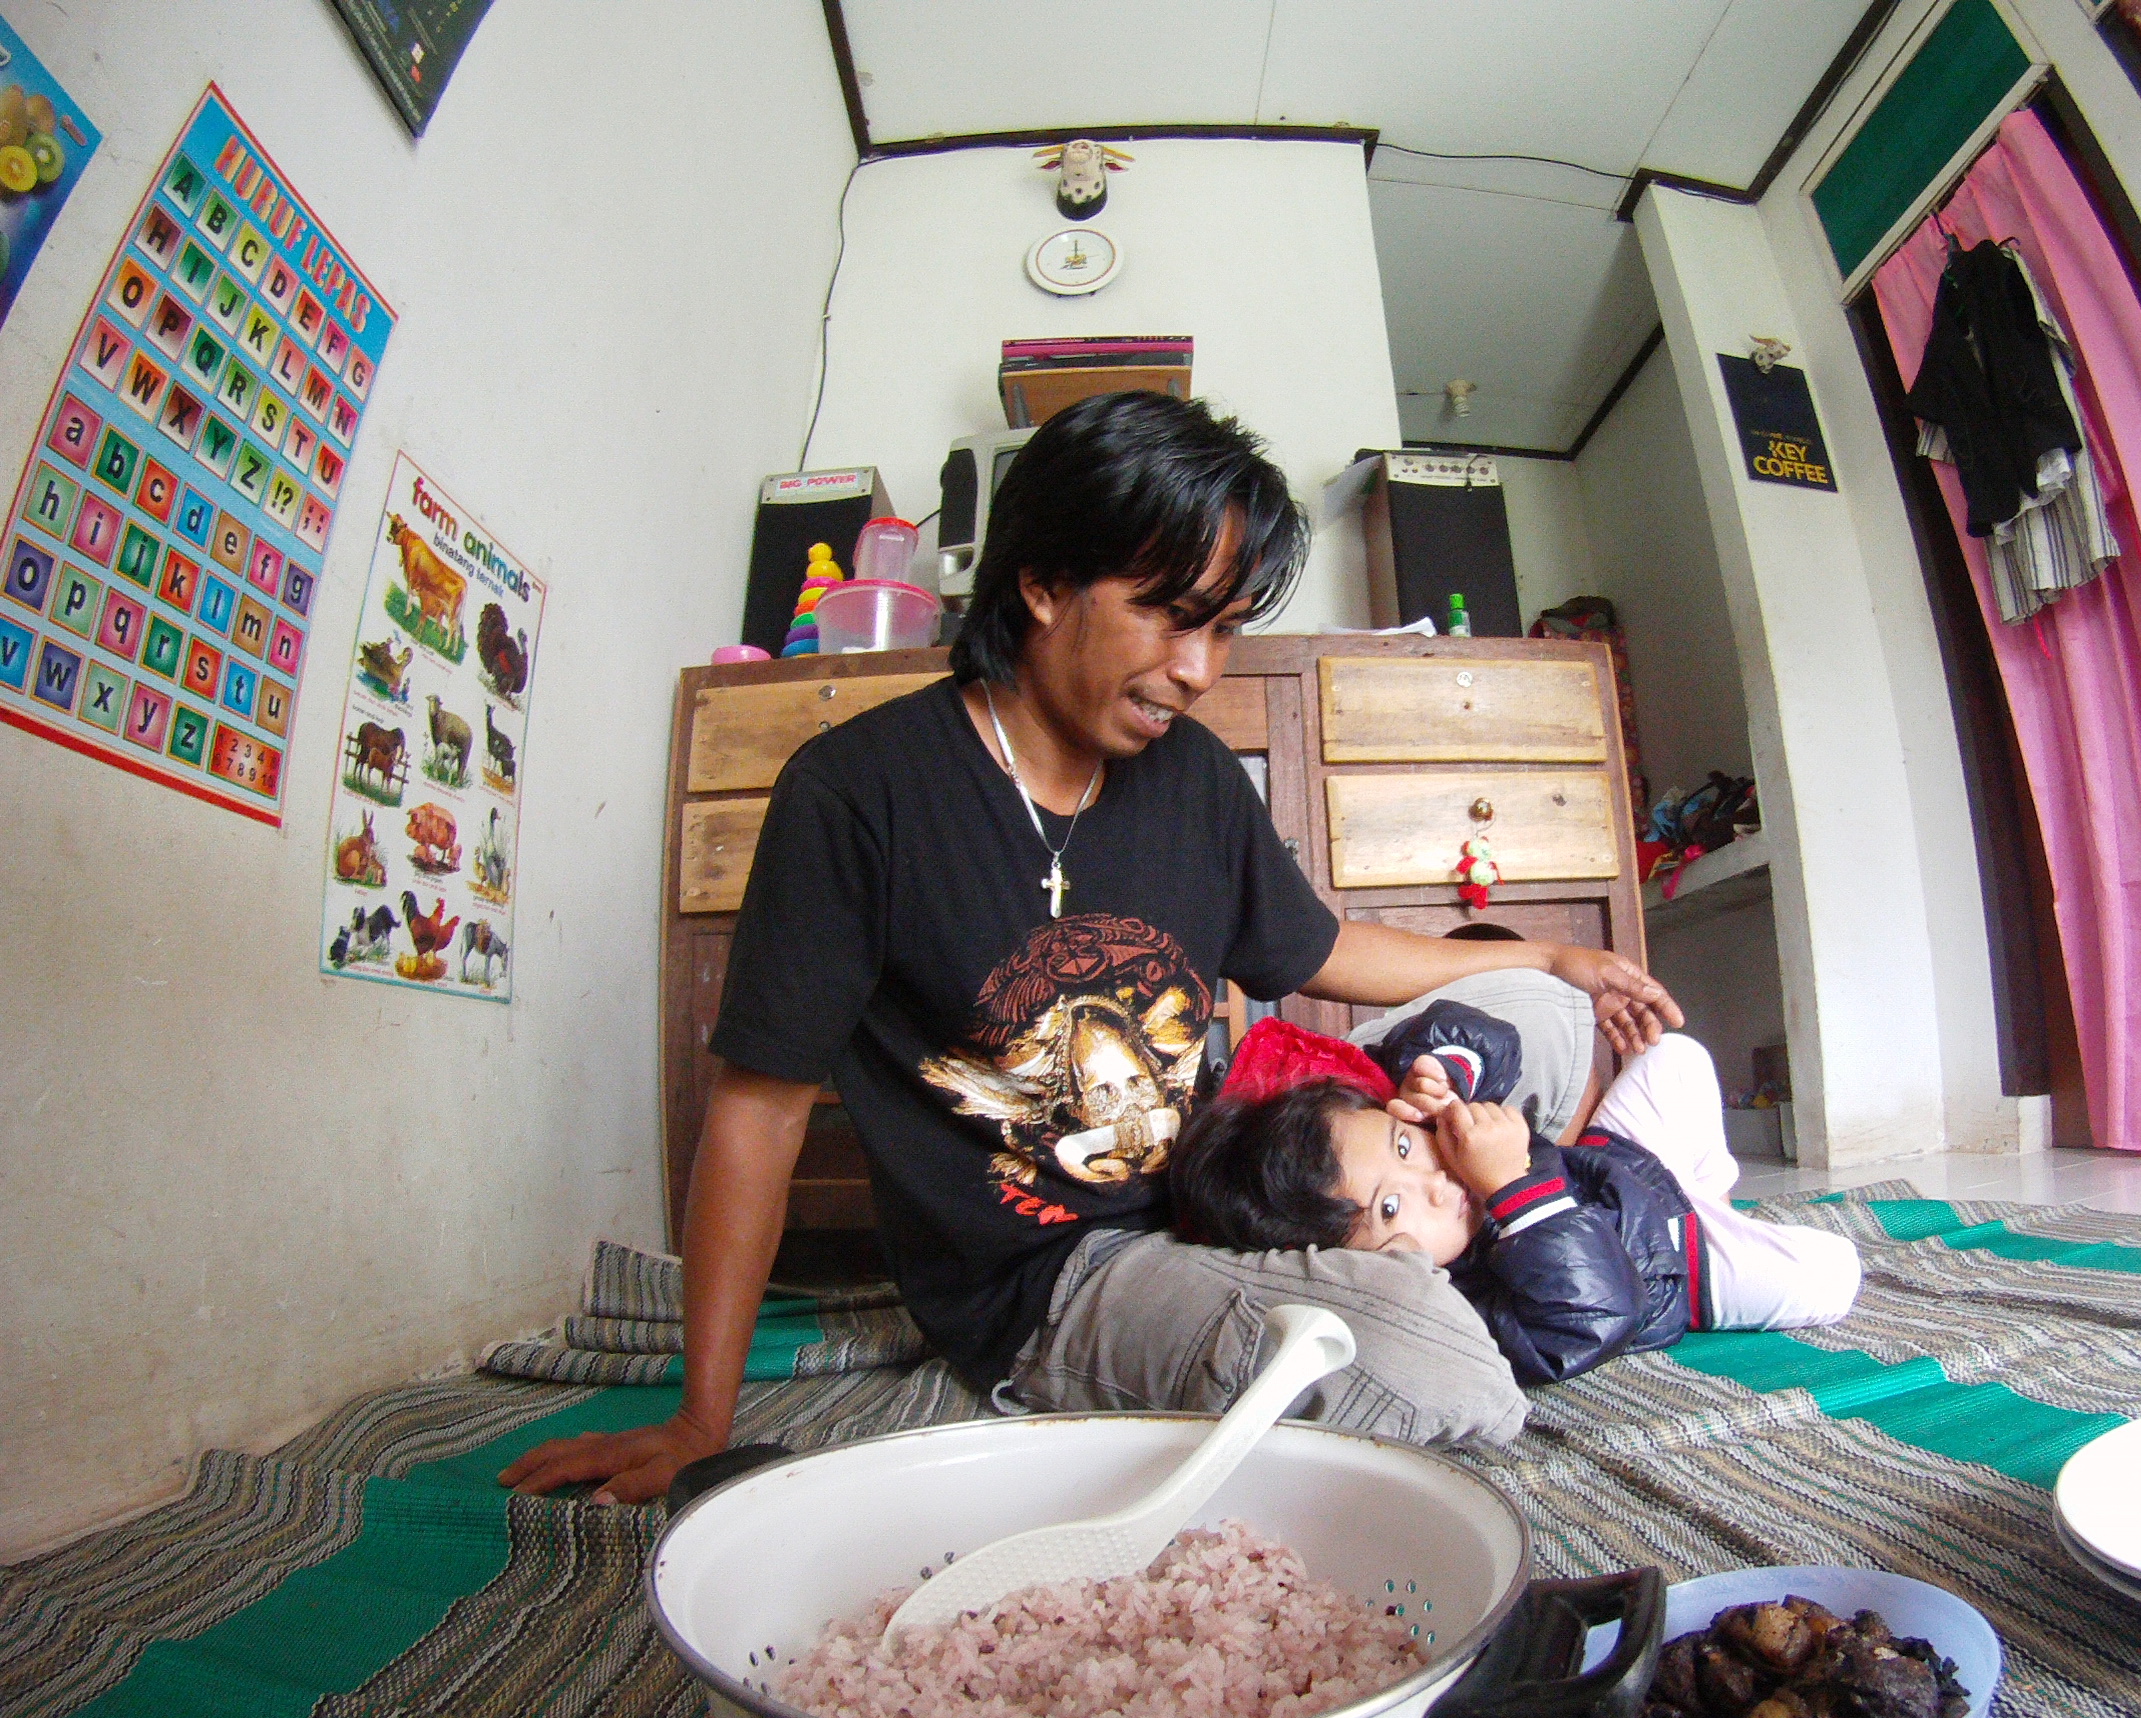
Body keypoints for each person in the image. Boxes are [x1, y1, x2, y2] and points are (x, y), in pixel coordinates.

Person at [502, 391, 1680, 1504]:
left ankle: (1457, 1221)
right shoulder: (859, 794)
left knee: (1543, 1012)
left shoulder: (1194, 780)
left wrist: (1547, 958)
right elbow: (757, 1113)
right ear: (1043, 583)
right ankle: (1478, 1239)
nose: (1200, 671)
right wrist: (700, 1419)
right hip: (1061, 1274)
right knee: (1439, 1378)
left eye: (1224, 629)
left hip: (1224, 1177)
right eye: (1172, 615)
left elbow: (1323, 949)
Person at [1168, 1005, 1860, 1387]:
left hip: (1617, 1165)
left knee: (1675, 1056)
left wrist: (1438, 1074)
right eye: (1390, 1208)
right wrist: (1511, 1187)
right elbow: (1594, 1314)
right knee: (1832, 1275)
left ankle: (1714, 1199)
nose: (1434, 1182)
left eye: (1403, 1147)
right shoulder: (1459, 1307)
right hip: (1673, 1268)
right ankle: (1718, 1227)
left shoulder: (1436, 1132)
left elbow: (1491, 1038)